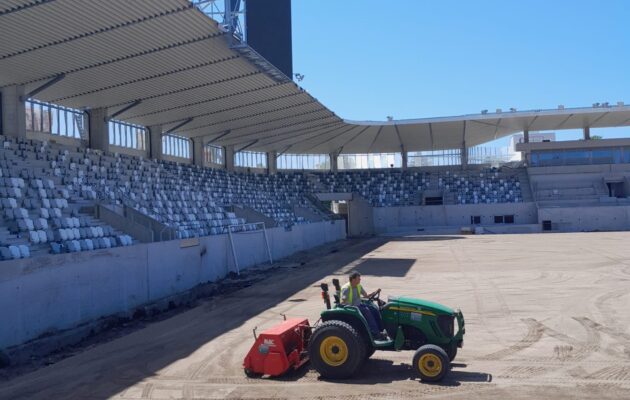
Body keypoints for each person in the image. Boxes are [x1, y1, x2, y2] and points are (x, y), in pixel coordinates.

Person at [340, 272, 387, 339]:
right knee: (367, 311)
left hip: (359, 304)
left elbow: (366, 296)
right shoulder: (346, 288)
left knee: (374, 309)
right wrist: (343, 301)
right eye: (358, 278)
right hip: (352, 307)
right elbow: (343, 300)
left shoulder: (358, 286)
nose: (360, 280)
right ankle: (375, 334)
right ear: (353, 279)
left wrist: (375, 292)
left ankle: (381, 329)